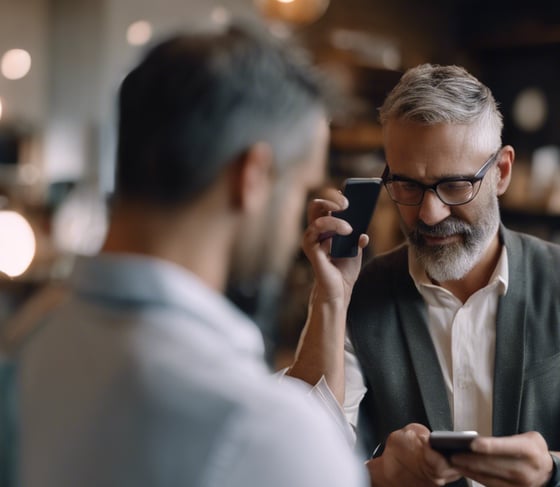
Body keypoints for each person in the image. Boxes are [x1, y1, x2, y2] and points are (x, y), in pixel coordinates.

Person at [0, 26, 368, 487]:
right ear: (252, 175)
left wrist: (329, 303)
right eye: (299, 188)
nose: (298, 213)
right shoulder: (265, 431)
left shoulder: (32, 344)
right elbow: (281, 433)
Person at [288, 64, 560, 487]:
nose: (429, 213)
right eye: (408, 186)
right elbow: (296, 464)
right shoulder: (356, 294)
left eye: (455, 185)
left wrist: (550, 470)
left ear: (501, 172)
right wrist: (330, 300)